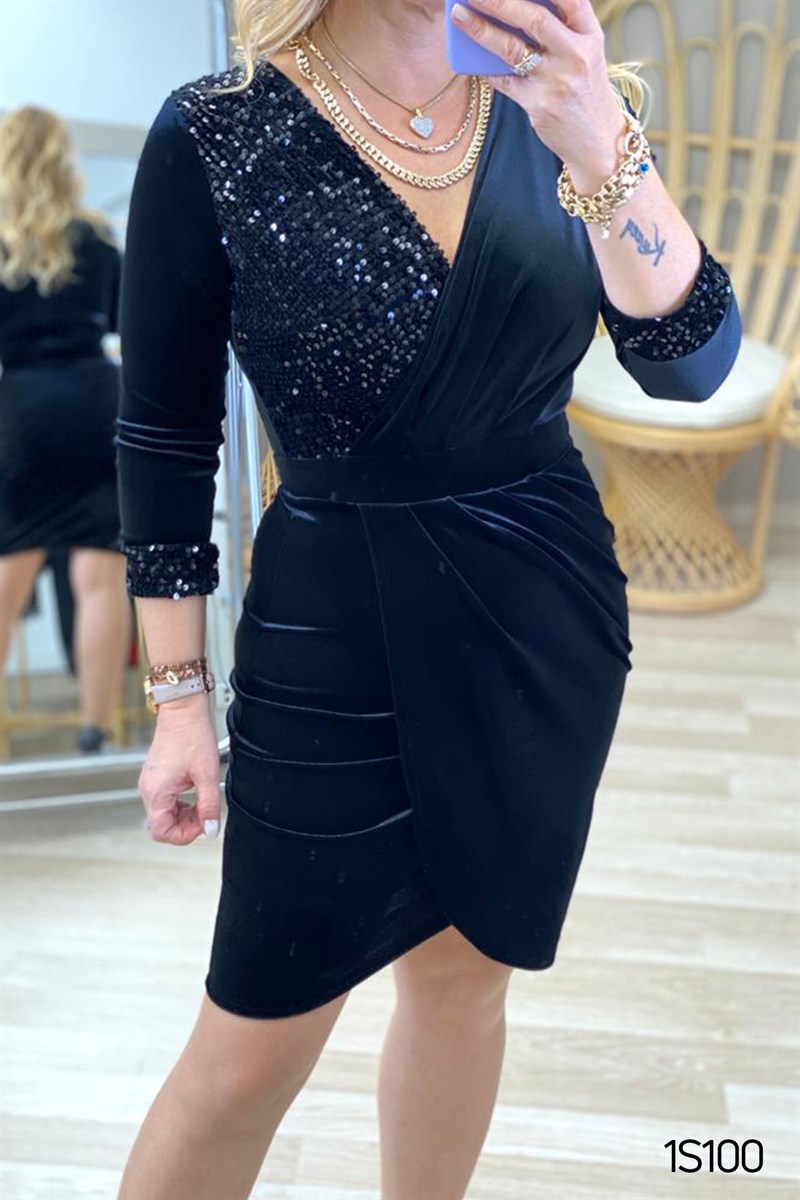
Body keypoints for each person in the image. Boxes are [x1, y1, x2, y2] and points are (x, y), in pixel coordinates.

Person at [115, 1, 742, 1197]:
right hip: (329, 637)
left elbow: (690, 365)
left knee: (464, 981)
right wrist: (179, 700)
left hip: (538, 622)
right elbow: (165, 437)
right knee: (247, 1052)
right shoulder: (217, 130)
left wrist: (594, 136)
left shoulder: (558, 100)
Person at [0, 105, 130, 753]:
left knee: (8, 571)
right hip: (92, 401)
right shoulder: (97, 238)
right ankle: (94, 729)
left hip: (21, 408)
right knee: (99, 574)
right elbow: (128, 322)